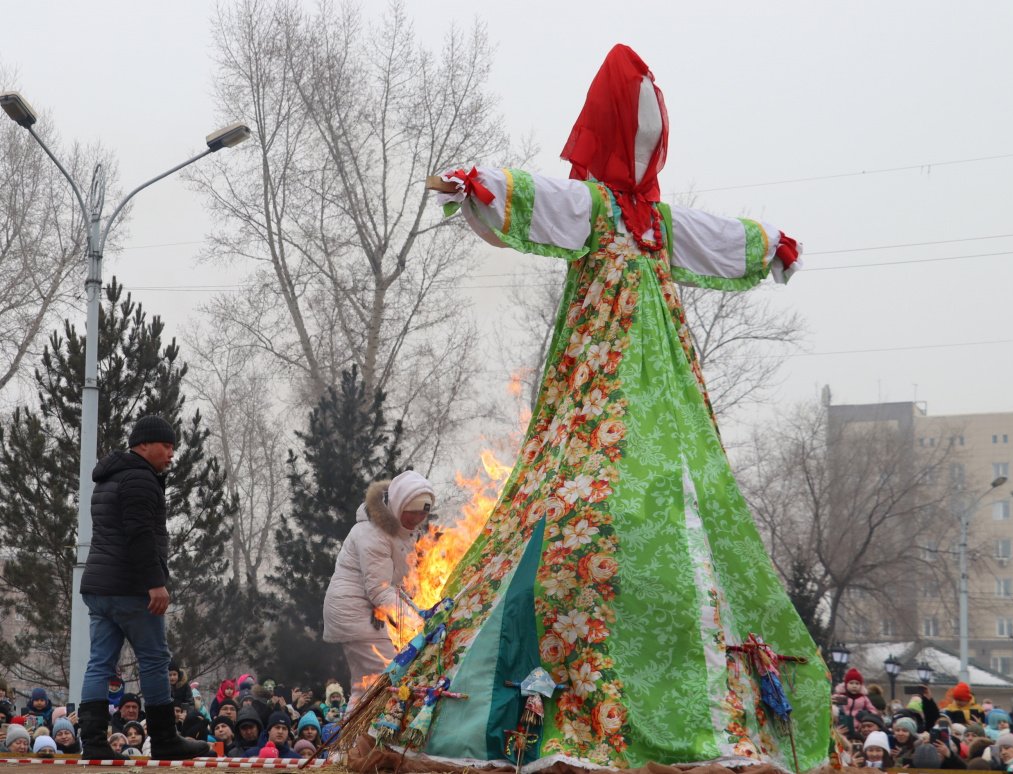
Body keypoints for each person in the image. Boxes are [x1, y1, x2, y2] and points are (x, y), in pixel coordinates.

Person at [388, 43, 825, 770]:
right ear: (615, 128)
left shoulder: (656, 220)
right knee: (582, 505)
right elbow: (532, 199)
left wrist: (767, 246)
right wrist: (480, 186)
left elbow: (716, 236)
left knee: (672, 499)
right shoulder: (592, 208)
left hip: (666, 391)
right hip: (599, 382)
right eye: (638, 124)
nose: (649, 139)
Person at [77, 415, 210, 760]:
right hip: (131, 588)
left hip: (99, 586)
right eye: (166, 446)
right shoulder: (140, 479)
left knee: (99, 663)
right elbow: (139, 535)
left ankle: (93, 743)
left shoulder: (108, 478)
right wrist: (155, 583)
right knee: (153, 660)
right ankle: (166, 739)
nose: (171, 453)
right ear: (144, 444)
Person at [323, 470, 435, 705]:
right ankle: (368, 739)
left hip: (364, 611)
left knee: (363, 687)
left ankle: (349, 740)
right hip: (354, 611)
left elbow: (394, 586)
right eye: (411, 514)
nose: (416, 520)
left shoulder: (401, 535)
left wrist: (418, 611)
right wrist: (417, 625)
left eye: (421, 514)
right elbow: (379, 589)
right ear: (397, 506)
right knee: (389, 680)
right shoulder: (373, 533)